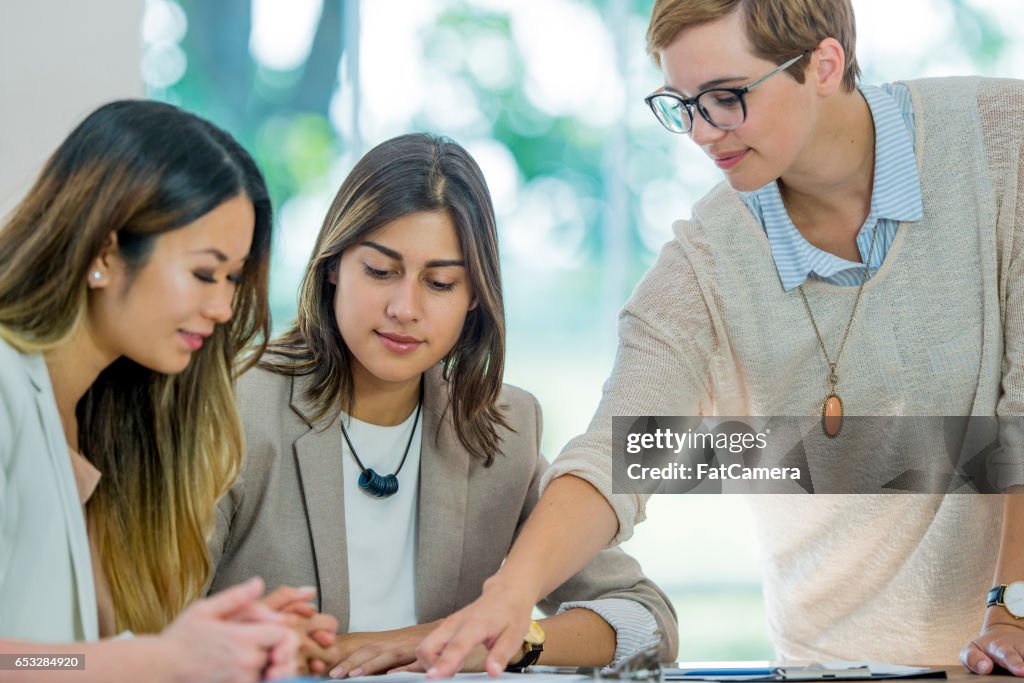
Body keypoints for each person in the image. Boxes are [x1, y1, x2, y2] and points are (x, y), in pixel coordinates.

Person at [416, 0, 1024, 676]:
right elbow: (617, 454)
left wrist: (1015, 608)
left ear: (824, 64)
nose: (702, 133)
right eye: (682, 104)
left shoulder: (1003, 143)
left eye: (726, 98)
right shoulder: (705, 262)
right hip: (829, 666)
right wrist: (511, 594)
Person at [206, 133, 679, 677]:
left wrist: (486, 637)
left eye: (440, 282)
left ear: (474, 295)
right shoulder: (235, 406)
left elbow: (647, 623)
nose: (405, 308)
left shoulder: (499, 430)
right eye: (380, 271)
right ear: (332, 266)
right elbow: (144, 632)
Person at [0, 99, 301, 682]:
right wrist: (157, 660)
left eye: (234, 278)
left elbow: (52, 654)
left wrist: (222, 646)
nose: (222, 308)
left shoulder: (97, 415)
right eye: (204, 273)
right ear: (106, 252)